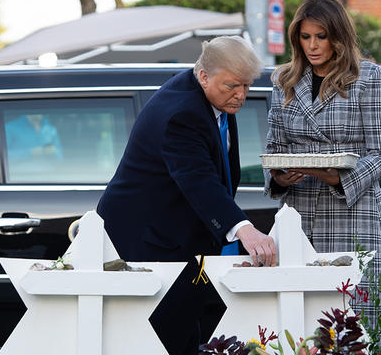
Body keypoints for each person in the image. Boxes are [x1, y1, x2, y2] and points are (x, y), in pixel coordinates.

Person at [97, 36, 277, 355]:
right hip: (148, 241)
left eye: (247, 86)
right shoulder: (182, 112)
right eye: (233, 86)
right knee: (157, 341)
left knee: (185, 335)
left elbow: (219, 173)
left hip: (180, 237)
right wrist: (243, 228)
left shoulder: (212, 91)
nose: (241, 95)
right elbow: (198, 178)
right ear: (204, 75)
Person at [265, 0, 381, 345]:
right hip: (298, 217)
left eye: (321, 36)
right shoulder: (284, 79)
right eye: (305, 37)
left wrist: (340, 177)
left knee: (359, 324)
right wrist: (278, 176)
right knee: (299, 324)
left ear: (339, 37)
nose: (313, 45)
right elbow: (274, 149)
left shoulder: (368, 78)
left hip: (353, 214)